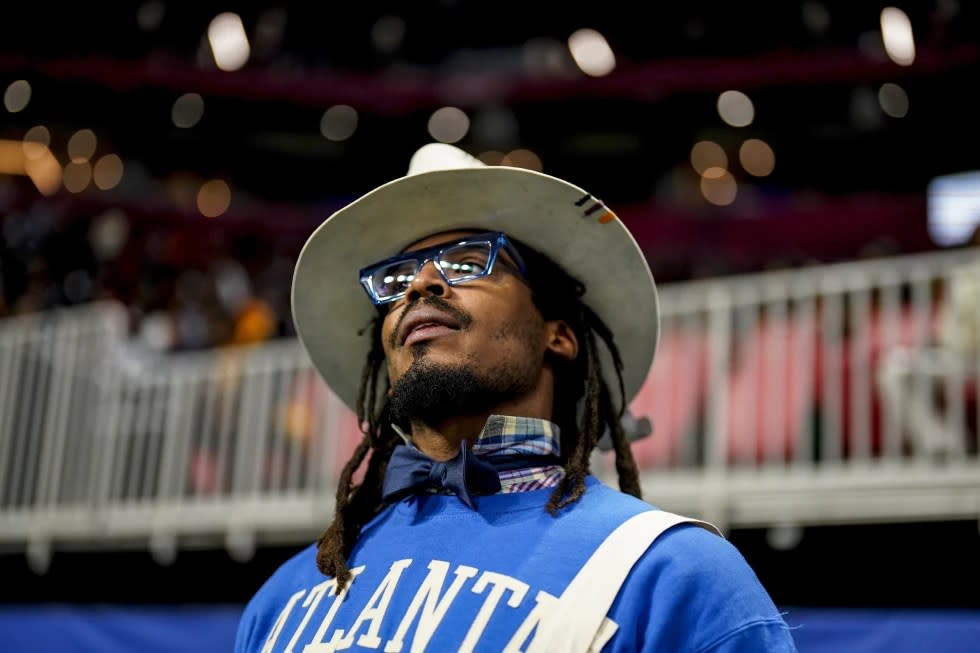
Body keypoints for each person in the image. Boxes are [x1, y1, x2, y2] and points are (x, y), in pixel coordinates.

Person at [235, 143, 798, 652]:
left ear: (559, 334)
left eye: (466, 260)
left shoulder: (676, 577)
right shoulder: (280, 599)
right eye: (397, 277)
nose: (419, 285)